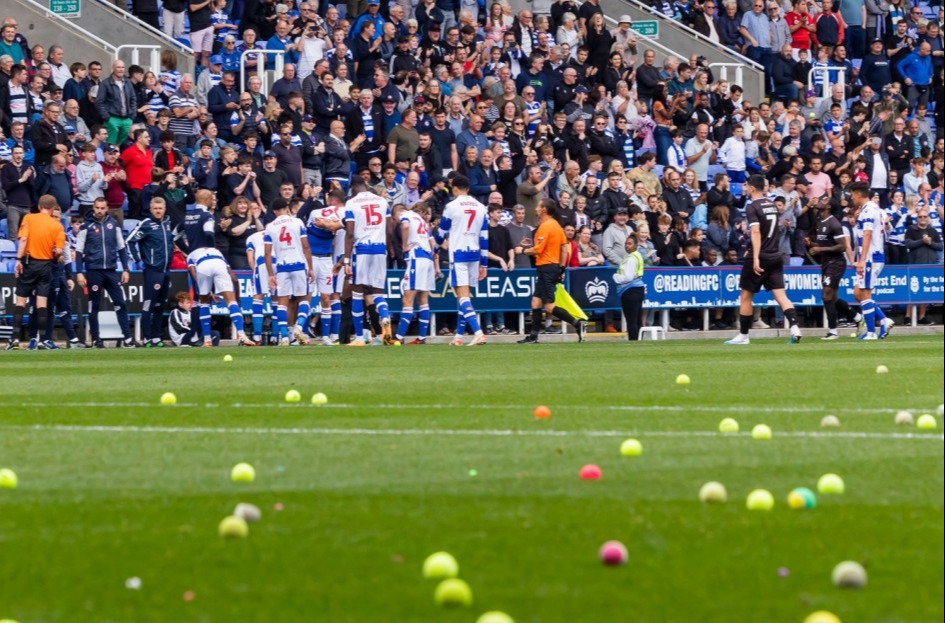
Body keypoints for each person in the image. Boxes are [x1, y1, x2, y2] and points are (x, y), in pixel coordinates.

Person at [724, 174, 803, 345]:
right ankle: (795, 327)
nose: (744, 187)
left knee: (745, 296)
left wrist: (755, 257)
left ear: (752, 188)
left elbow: (756, 232)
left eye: (746, 185)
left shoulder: (753, 207)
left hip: (761, 256)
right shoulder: (772, 205)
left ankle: (744, 336)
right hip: (776, 255)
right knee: (781, 295)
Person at [515, 198, 587, 344]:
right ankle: (534, 336)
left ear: (544, 210)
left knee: (549, 305)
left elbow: (538, 249)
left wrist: (522, 250)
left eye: (538, 206)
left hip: (546, 268)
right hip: (551, 267)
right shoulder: (557, 226)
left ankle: (578, 323)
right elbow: (564, 249)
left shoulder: (545, 226)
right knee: (536, 302)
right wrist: (561, 267)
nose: (536, 208)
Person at [74, 197, 141, 349]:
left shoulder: (113, 224)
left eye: (102, 208)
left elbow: (121, 247)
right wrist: (79, 272)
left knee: (120, 303)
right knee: (94, 305)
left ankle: (127, 338)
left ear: (107, 208)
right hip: (93, 270)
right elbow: (78, 251)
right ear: (93, 207)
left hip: (111, 270)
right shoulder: (86, 226)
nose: (99, 211)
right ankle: (97, 339)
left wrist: (125, 269)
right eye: (97, 208)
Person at [5, 194, 66, 350]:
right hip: (46, 266)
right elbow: (59, 251)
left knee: (20, 302)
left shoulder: (29, 219)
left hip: (29, 263)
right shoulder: (57, 226)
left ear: (39, 206)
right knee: (42, 304)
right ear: (53, 209)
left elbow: (23, 240)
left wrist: (18, 260)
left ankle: (14, 340)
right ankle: (42, 339)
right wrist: (56, 255)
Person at [436, 175, 489, 346]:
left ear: (456, 189)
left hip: (458, 253)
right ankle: (458, 336)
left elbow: (442, 232)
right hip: (474, 253)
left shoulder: (451, 206)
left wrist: (435, 248)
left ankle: (478, 332)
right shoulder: (481, 207)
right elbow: (485, 237)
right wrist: (484, 263)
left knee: (463, 295)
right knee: (464, 296)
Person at [342, 179, 394, 346]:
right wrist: (387, 248)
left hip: (362, 250)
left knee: (357, 292)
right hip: (380, 249)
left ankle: (359, 338)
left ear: (354, 189)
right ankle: (385, 317)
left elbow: (350, 233)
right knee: (378, 292)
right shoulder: (381, 201)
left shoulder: (352, 203)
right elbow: (389, 229)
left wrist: (346, 260)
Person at [127, 197, 176, 347]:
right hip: (152, 270)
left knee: (160, 305)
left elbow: (171, 242)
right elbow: (129, 241)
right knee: (149, 304)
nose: (158, 211)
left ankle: (156, 337)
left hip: (165, 270)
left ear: (165, 209)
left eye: (160, 208)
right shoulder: (146, 225)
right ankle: (147, 337)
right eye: (155, 208)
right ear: (151, 209)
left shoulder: (167, 224)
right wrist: (138, 261)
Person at [265, 198, 315, 346]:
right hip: (298, 264)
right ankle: (299, 327)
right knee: (304, 299)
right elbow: (306, 246)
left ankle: (285, 337)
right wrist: (310, 268)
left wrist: (270, 275)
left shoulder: (270, 227)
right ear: (287, 208)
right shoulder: (297, 222)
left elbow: (267, 253)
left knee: (282, 303)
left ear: (274, 211)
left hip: (282, 267)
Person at [187, 244, 256, 346]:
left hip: (202, 266)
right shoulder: (218, 253)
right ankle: (242, 335)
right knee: (231, 302)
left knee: (204, 303)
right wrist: (236, 299)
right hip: (219, 264)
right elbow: (235, 280)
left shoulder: (191, 255)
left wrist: (207, 292)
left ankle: (207, 340)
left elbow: (193, 272)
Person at [849, 181, 894, 340]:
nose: (851, 198)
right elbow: (884, 230)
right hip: (875, 255)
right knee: (858, 292)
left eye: (852, 194)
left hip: (870, 258)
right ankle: (883, 320)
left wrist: (862, 260)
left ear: (858, 194)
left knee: (865, 293)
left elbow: (867, 234)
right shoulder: (877, 210)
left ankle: (870, 332)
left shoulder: (868, 211)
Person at [305, 190, 346, 346]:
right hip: (314, 258)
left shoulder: (340, 214)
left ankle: (327, 336)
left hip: (329, 259)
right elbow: (312, 231)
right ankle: (302, 334)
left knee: (326, 297)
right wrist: (331, 227)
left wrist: (329, 226)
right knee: (309, 296)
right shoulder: (316, 213)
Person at [805, 196, 849, 340]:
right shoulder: (819, 221)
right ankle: (856, 317)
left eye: (824, 200)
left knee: (826, 295)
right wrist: (811, 244)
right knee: (833, 297)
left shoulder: (834, 223)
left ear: (828, 206)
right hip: (827, 262)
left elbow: (842, 246)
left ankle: (833, 331)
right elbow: (822, 244)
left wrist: (820, 249)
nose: (819, 201)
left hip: (836, 263)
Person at [395, 201, 437, 344]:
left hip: (416, 258)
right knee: (423, 300)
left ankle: (399, 338)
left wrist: (404, 246)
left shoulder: (406, 215)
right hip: (427, 259)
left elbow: (405, 226)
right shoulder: (423, 222)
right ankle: (421, 337)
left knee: (407, 299)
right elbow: (433, 244)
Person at [613, 233, 646, 341]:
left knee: (631, 320)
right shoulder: (636, 256)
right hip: (637, 289)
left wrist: (616, 277)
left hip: (630, 290)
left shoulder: (631, 258)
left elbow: (628, 277)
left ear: (636, 245)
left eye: (630, 244)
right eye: (626, 244)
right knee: (637, 319)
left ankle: (633, 340)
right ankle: (639, 340)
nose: (627, 246)